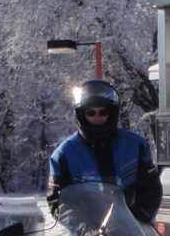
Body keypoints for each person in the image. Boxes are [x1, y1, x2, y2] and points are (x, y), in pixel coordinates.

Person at [47, 79, 162, 222]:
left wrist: (140, 219)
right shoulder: (63, 155)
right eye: (91, 112)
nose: (97, 117)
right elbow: (57, 202)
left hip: (135, 232)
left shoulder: (136, 146)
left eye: (103, 112)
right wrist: (84, 230)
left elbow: (151, 190)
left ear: (112, 113)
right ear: (81, 114)